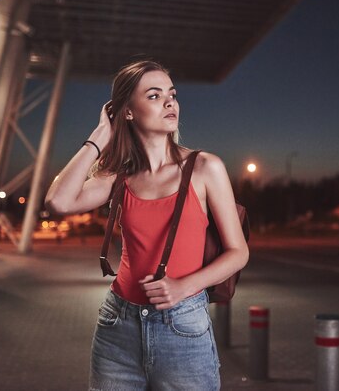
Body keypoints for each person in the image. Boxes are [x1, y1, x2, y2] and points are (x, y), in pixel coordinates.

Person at [45, 59, 249, 390]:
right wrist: (99, 137)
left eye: (172, 93)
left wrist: (185, 286)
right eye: (154, 96)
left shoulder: (205, 167)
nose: (170, 102)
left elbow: (238, 252)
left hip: (182, 326)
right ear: (127, 111)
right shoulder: (118, 174)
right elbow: (59, 201)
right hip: (117, 328)